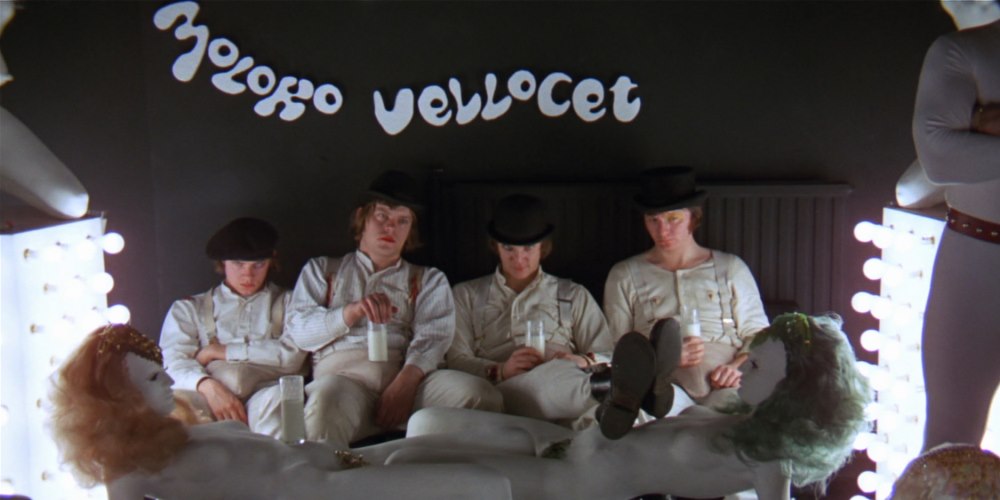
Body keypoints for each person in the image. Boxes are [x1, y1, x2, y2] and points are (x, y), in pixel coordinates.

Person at [52, 314, 869, 500]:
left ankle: (616, 402)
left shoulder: (763, 453)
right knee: (421, 434)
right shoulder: (728, 415)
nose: (742, 367)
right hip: (583, 451)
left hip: (581, 478)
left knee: (434, 448)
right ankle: (619, 404)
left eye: (759, 366)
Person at [50, 324, 515, 500]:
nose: (171, 383)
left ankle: (549, 455)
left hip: (334, 461)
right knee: (482, 485)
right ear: (119, 396)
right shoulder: (129, 474)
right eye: (154, 378)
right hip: (321, 491)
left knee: (475, 450)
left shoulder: (173, 432)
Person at [285, 169, 501, 446]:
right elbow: (300, 332)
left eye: (402, 221)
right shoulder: (322, 270)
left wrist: (405, 384)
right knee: (325, 406)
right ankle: (327, 472)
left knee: (480, 395)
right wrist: (351, 312)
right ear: (362, 217)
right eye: (382, 216)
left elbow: (435, 337)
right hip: (344, 382)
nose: (390, 228)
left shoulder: (428, 279)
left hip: (409, 379)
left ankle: (456, 469)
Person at [908, 0, 1000, 452]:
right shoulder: (961, 51)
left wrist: (984, 125)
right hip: (975, 260)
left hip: (974, 249)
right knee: (950, 441)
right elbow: (941, 158)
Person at [603, 166, 769, 416]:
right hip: (663, 386)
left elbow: (761, 334)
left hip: (726, 382)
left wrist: (737, 366)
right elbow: (617, 348)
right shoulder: (624, 274)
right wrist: (663, 358)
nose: (663, 231)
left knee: (742, 415)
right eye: (653, 220)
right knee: (647, 417)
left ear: (693, 217)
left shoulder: (730, 268)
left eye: (673, 219)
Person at [447, 194, 617, 429]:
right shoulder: (466, 295)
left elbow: (607, 353)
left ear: (542, 247)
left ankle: (616, 403)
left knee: (586, 410)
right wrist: (501, 370)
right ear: (496, 247)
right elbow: (456, 360)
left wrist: (581, 360)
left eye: (528, 248)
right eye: (508, 248)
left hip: (564, 389)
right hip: (502, 394)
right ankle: (607, 392)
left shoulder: (573, 294)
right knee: (556, 380)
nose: (519, 258)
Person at [159, 217, 306, 436]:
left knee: (283, 407)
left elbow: (292, 354)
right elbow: (172, 362)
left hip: (268, 391)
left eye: (258, 264)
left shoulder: (291, 302)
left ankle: (274, 458)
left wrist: (218, 351)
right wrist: (207, 386)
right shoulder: (188, 308)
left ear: (271, 261)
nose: (248, 274)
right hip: (209, 392)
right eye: (238, 264)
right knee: (178, 410)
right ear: (223, 263)